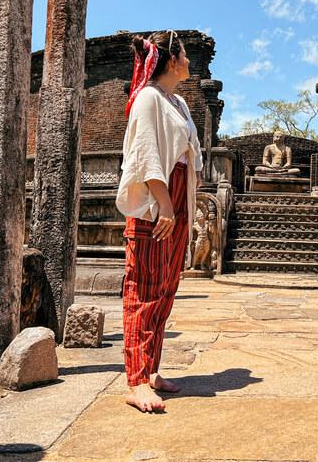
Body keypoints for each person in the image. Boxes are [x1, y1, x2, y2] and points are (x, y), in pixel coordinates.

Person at [115, 30, 202, 412]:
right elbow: (145, 153)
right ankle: (135, 381)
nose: (188, 62)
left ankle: (151, 371)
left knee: (166, 286)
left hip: (178, 197)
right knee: (144, 287)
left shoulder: (178, 101)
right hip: (156, 199)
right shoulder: (148, 97)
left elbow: (188, 153)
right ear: (171, 60)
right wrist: (165, 203)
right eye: (184, 56)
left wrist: (185, 204)